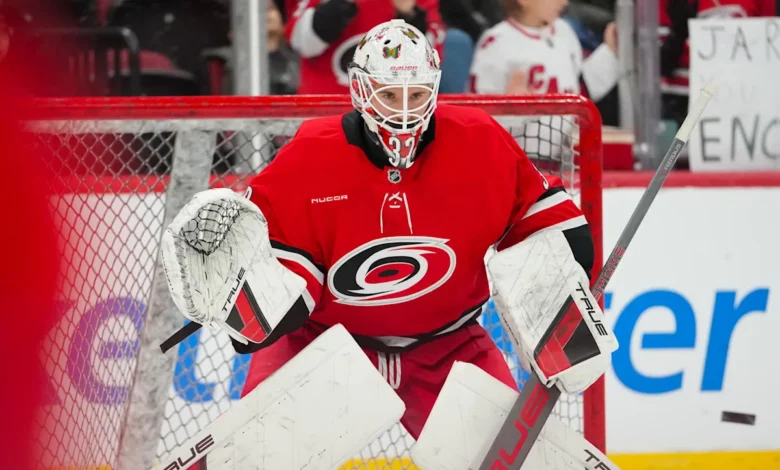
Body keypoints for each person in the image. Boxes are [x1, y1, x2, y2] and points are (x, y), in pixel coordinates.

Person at [161, 19, 614, 444]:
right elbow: (288, 282)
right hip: (323, 345)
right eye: (389, 95)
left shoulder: (478, 139)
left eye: (416, 95)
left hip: (448, 348)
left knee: (513, 457)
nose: (404, 111)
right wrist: (252, 310)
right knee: (252, 455)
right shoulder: (310, 155)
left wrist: (559, 291)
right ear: (361, 90)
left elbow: (542, 218)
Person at [469, 0, 618, 102]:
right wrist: (511, 108)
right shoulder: (496, 42)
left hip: (565, 139)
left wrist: (610, 52)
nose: (564, 2)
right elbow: (480, 118)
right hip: (513, 139)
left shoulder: (564, 32)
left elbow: (580, 93)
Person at [285, 0, 444, 93]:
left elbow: (430, 61)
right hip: (325, 108)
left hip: (391, 112)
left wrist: (410, 15)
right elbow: (301, 44)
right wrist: (339, 5)